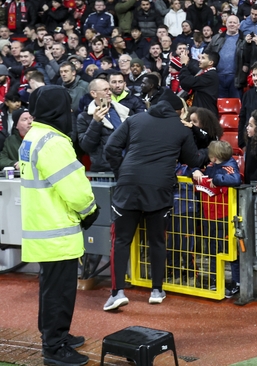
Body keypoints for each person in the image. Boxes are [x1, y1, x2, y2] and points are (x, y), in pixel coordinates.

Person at [20, 86, 99, 366]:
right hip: (57, 230)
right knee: (59, 293)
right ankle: (54, 347)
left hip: (42, 228)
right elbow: (75, 189)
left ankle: (54, 336)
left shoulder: (33, 136)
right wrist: (90, 210)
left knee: (50, 289)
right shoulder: (53, 141)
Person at [102, 93, 199, 310]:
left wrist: (122, 171)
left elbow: (110, 148)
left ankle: (117, 293)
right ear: (179, 111)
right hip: (159, 187)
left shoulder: (134, 119)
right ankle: (156, 290)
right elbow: (193, 159)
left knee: (121, 241)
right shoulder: (181, 128)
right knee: (157, 241)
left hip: (128, 185)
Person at [192, 140, 242, 298]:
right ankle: (215, 280)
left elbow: (235, 179)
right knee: (212, 249)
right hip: (210, 216)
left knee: (230, 250)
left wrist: (216, 180)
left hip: (224, 216)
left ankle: (236, 282)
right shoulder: (211, 166)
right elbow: (192, 171)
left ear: (214, 157)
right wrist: (195, 171)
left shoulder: (229, 166)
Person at [76, 79, 131, 173]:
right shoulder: (84, 117)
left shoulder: (123, 111)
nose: (109, 93)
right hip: (106, 170)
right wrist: (95, 122)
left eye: (109, 89)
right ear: (94, 94)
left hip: (128, 166)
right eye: (105, 90)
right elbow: (86, 147)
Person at [177, 51, 220, 117]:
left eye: (203, 58)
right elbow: (185, 83)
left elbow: (187, 81)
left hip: (206, 115)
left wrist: (184, 65)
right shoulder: (206, 73)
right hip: (201, 113)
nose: (199, 60)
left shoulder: (210, 76)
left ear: (210, 62)